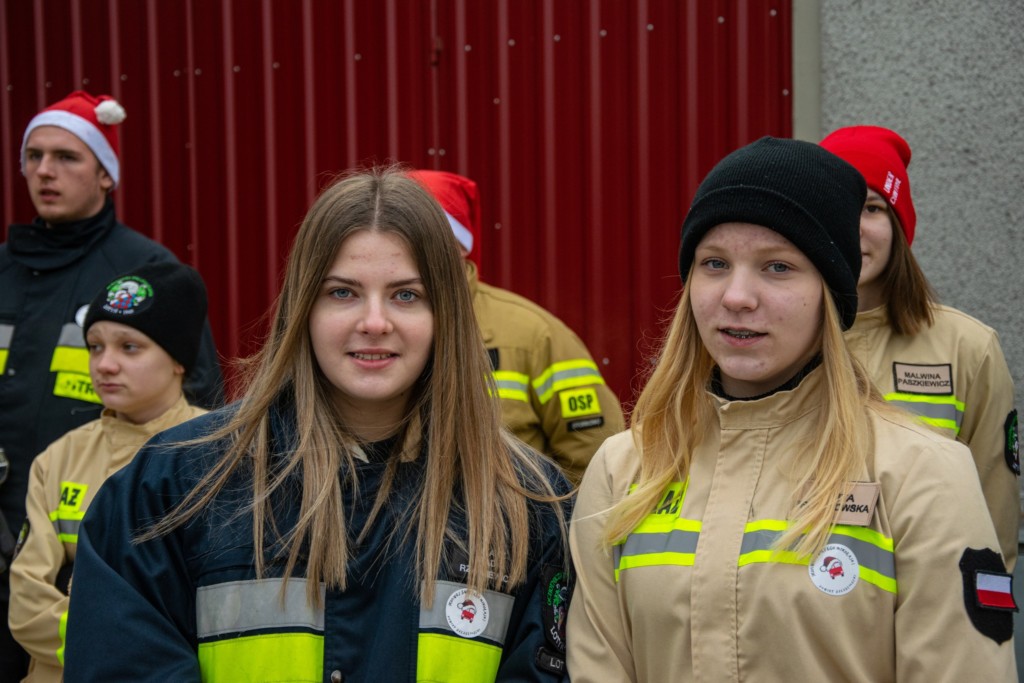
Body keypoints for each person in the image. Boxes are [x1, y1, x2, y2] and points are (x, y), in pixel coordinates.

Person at [63, 167, 572, 682]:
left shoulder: (527, 503)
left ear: (446, 315)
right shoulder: (173, 487)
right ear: (302, 307)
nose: (374, 322)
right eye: (343, 293)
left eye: (406, 295)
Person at [566, 137, 1017, 681]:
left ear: (831, 292)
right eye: (714, 263)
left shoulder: (924, 473)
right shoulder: (623, 470)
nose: (736, 296)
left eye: (777, 267)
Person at [0, 90, 224, 674]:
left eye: (66, 157)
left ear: (105, 173)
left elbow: (201, 394)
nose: (44, 171)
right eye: (33, 156)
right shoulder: (2, 272)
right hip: (28, 553)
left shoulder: (143, 273)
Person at [820, 125, 1020, 569]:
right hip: (805, 598)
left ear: (898, 225)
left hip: (932, 591)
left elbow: (995, 508)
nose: (853, 226)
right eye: (839, 204)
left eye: (872, 207)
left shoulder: (967, 347)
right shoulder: (779, 339)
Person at [8, 261, 210, 682]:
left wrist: (91, 617)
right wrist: (122, 648)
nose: (104, 364)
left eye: (129, 347)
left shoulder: (220, 453)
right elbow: (27, 608)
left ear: (178, 360)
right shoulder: (57, 460)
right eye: (95, 346)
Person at [408, 169, 625, 484]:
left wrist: (546, 515)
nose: (412, 251)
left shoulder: (532, 335)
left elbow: (596, 458)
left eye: (428, 239)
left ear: (461, 245)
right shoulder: (366, 330)